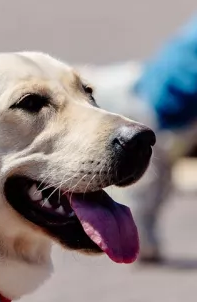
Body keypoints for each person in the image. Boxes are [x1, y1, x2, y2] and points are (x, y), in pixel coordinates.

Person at [81, 14, 197, 262]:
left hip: (152, 89)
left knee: (156, 180)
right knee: (153, 179)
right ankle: (137, 237)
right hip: (160, 109)